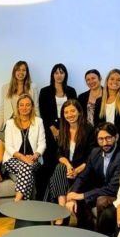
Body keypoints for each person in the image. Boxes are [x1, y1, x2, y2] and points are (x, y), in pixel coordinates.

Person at [66, 122, 120, 230]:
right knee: (75, 191)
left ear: (116, 137)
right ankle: (85, 230)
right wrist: (72, 195)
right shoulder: (95, 152)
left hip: (116, 194)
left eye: (108, 138)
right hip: (99, 189)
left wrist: (82, 195)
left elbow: (113, 188)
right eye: (101, 139)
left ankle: (100, 234)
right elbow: (83, 176)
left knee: (101, 200)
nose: (104, 143)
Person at [44, 100, 94, 224]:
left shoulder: (89, 130)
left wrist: (77, 170)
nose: (69, 114)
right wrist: (68, 165)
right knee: (60, 167)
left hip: (84, 170)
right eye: (66, 112)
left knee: (56, 175)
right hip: (68, 170)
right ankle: (62, 210)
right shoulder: (63, 130)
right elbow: (59, 153)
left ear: (79, 112)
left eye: (72, 111)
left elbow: (91, 157)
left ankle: (61, 215)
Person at [38, 63, 77, 199]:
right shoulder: (45, 91)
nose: (59, 75)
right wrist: (53, 128)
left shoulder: (71, 91)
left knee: (65, 160)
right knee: (50, 162)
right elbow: (43, 112)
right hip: (50, 130)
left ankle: (63, 193)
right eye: (56, 72)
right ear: (52, 75)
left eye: (62, 72)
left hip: (68, 128)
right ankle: (47, 197)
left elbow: (74, 110)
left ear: (65, 75)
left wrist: (65, 129)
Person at [3, 94, 46, 201]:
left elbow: (42, 144)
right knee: (27, 168)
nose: (24, 107)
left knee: (26, 167)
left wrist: (35, 155)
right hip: (13, 159)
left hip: (33, 159)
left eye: (27, 105)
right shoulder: (10, 123)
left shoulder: (38, 121)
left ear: (32, 107)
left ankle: (17, 203)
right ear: (17, 107)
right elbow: (8, 146)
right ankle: (20, 203)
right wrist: (23, 158)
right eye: (21, 105)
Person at [0, 61, 39, 132]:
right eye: (18, 70)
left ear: (27, 73)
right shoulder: (5, 88)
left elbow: (35, 107)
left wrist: (38, 125)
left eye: (23, 70)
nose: (21, 72)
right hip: (10, 124)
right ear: (14, 72)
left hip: (27, 124)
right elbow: (2, 109)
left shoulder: (33, 87)